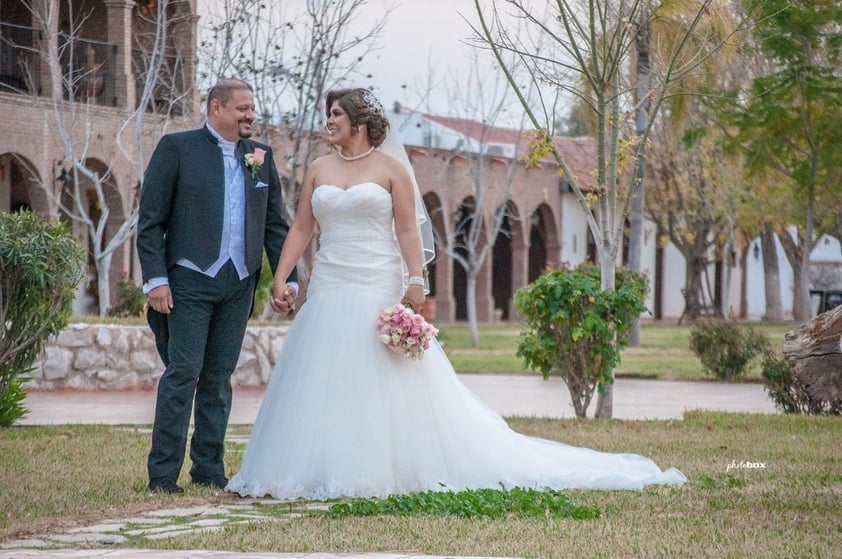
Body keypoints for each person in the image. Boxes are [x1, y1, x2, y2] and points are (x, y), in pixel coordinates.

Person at [226, 88, 686, 500]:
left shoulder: (392, 169)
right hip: (329, 281)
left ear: (359, 123)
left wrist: (415, 280)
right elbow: (303, 226)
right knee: (319, 373)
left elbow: (407, 227)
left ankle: (381, 464)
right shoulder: (319, 168)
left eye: (335, 115)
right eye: (327, 114)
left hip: (375, 281)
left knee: (378, 374)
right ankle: (310, 467)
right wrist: (283, 277)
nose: (328, 122)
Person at [137, 78, 297, 494]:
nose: (250, 115)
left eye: (252, 108)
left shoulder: (260, 157)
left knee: (219, 377)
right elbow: (151, 221)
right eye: (242, 108)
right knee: (183, 372)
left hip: (239, 281)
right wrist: (156, 279)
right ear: (215, 108)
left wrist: (287, 278)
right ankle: (162, 475)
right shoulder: (177, 149)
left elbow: (276, 225)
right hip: (189, 278)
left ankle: (208, 468)